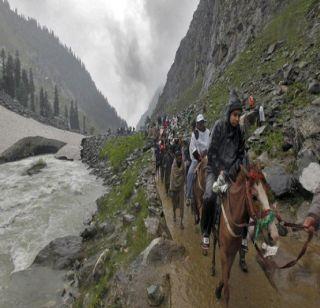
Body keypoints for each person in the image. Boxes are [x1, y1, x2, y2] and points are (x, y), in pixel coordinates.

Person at [202, 95, 248, 271]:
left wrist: (231, 171)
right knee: (208, 197)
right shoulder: (219, 127)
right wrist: (219, 169)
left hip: (231, 173)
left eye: (239, 115)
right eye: (234, 115)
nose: (236, 118)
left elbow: (241, 155)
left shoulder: (240, 133)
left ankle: (243, 238)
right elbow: (211, 152)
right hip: (214, 169)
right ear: (229, 114)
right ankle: (206, 232)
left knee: (245, 199)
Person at [186, 114, 210, 205]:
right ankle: (188, 195)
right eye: (199, 123)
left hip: (207, 156)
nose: (201, 124)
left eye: (202, 123)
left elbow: (211, 143)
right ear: (197, 124)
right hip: (197, 159)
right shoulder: (194, 135)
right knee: (190, 173)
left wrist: (207, 152)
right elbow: (193, 148)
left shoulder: (208, 132)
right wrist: (199, 158)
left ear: (204, 123)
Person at [169, 150, 186, 229]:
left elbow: (184, 174)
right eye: (178, 157)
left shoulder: (183, 164)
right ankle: (174, 214)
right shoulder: (173, 166)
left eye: (181, 157)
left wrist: (184, 181)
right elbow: (173, 178)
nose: (180, 158)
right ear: (176, 158)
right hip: (174, 188)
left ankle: (181, 222)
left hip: (181, 188)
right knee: (174, 203)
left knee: (182, 205)